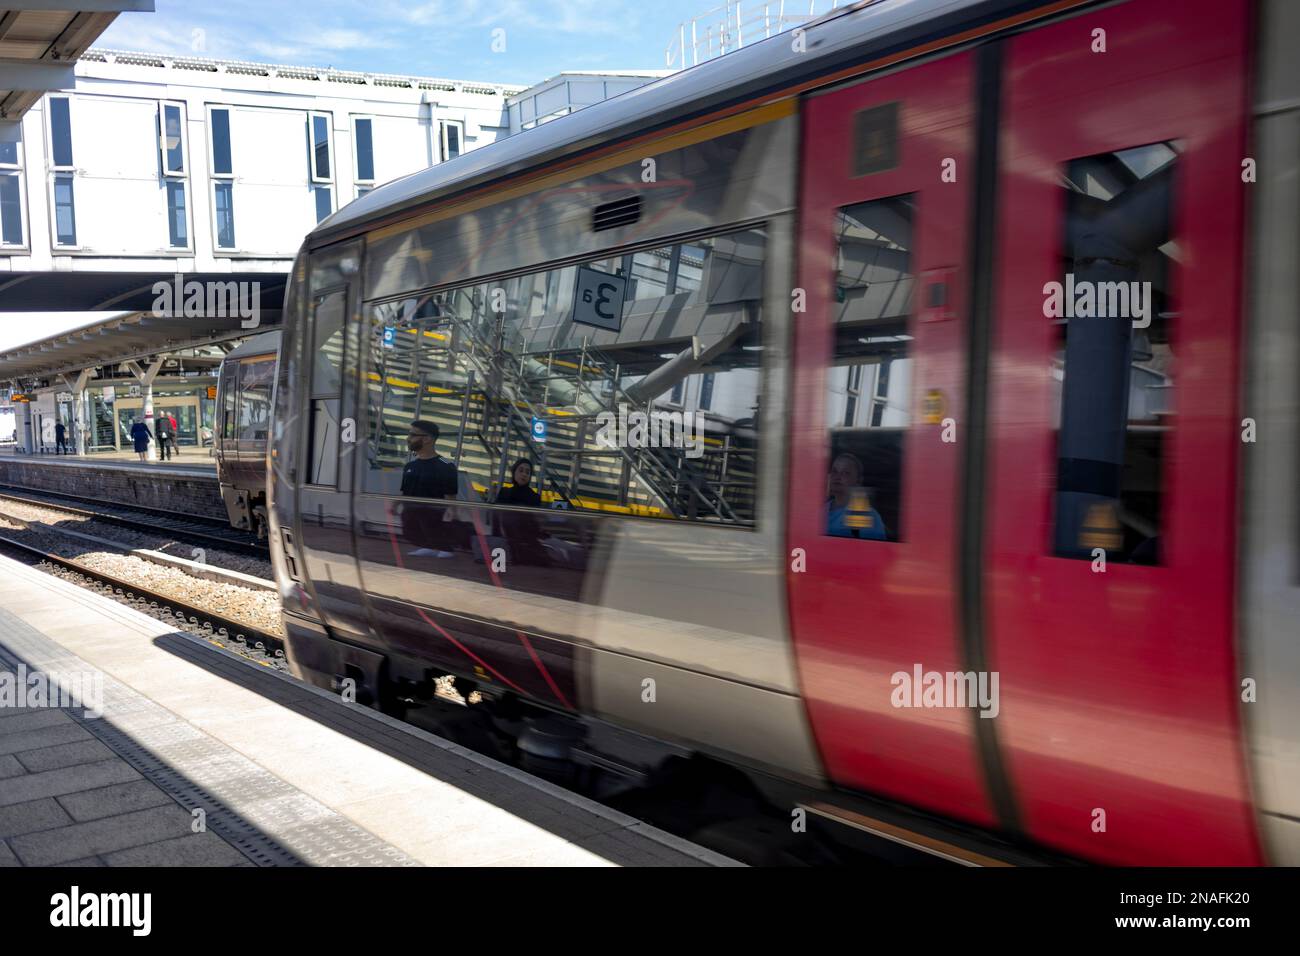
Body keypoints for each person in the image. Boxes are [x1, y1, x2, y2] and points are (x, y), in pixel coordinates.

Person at [401, 420, 460, 557]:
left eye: (412, 435)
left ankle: (442, 546)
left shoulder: (445, 466)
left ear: (427, 439)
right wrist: (395, 504)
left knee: (429, 515)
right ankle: (427, 545)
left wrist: (452, 511)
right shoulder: (410, 466)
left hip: (434, 516)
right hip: (414, 515)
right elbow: (404, 492)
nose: (408, 439)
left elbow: (450, 495)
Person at [494, 458, 550, 566]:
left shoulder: (534, 497)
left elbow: (535, 523)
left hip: (528, 542)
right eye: (521, 470)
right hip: (506, 542)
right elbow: (496, 518)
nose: (524, 474)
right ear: (514, 472)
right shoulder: (504, 492)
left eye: (527, 472)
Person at [826, 451, 887, 540]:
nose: (837, 477)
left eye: (845, 473)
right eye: (834, 471)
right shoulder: (820, 511)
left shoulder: (868, 515)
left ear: (858, 481)